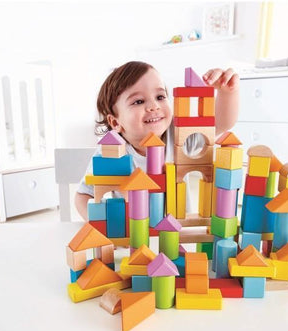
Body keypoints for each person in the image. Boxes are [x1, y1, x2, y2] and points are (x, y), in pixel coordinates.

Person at [75, 61, 239, 221]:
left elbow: (221, 123)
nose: (154, 106)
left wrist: (227, 92)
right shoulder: (110, 152)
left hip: (176, 235)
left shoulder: (178, 135)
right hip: (133, 238)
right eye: (138, 101)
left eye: (160, 96)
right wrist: (100, 226)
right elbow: (83, 195)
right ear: (116, 122)